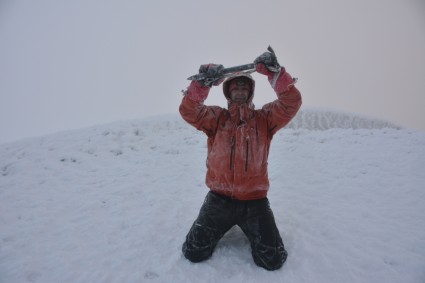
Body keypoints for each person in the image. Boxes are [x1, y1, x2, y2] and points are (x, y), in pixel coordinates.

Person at [179, 49, 302, 270]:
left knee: (272, 260)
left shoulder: (265, 119)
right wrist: (202, 84)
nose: (240, 89)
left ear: (251, 92)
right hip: (219, 199)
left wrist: (276, 74)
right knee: (194, 252)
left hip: (255, 201)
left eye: (244, 86)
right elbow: (189, 110)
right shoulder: (217, 118)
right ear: (228, 91)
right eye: (235, 86)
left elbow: (291, 103)